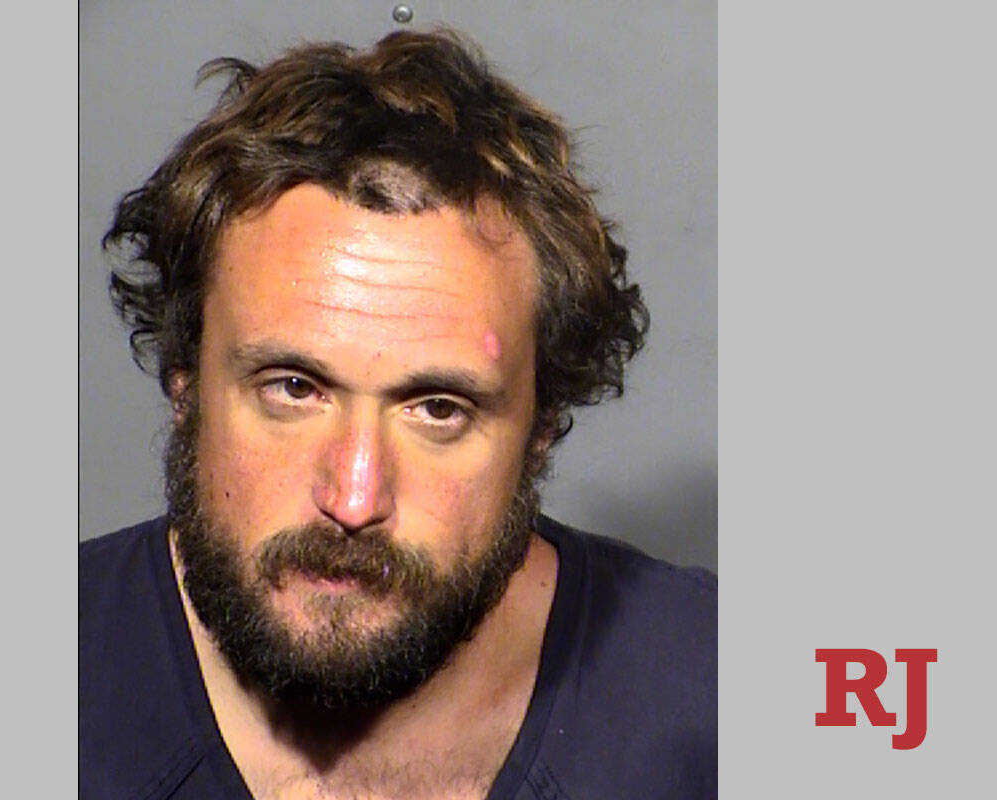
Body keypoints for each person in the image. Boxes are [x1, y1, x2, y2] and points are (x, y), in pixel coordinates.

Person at [80, 28, 715, 800]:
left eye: (437, 409)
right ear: (184, 380)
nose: (354, 500)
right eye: (293, 389)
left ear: (541, 429)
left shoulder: (708, 694)